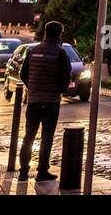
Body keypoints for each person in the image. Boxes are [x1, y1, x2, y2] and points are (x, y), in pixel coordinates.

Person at [18, 20, 72, 182]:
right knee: (46, 137)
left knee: (29, 136)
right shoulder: (60, 53)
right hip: (51, 102)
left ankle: (23, 171)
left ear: (45, 32)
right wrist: (61, 90)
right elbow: (65, 76)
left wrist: (33, 87)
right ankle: (42, 171)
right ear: (59, 34)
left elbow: (23, 74)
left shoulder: (33, 51)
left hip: (34, 101)